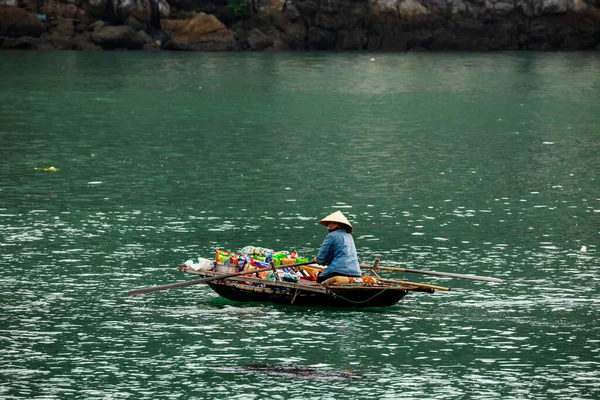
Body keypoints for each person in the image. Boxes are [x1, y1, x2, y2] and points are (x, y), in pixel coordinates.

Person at [313, 211, 362, 283]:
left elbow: (321, 258)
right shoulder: (349, 236)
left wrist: (317, 259)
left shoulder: (331, 235)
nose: (329, 225)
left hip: (339, 271)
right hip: (356, 272)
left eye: (333, 223)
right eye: (329, 223)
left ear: (340, 225)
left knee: (319, 278)